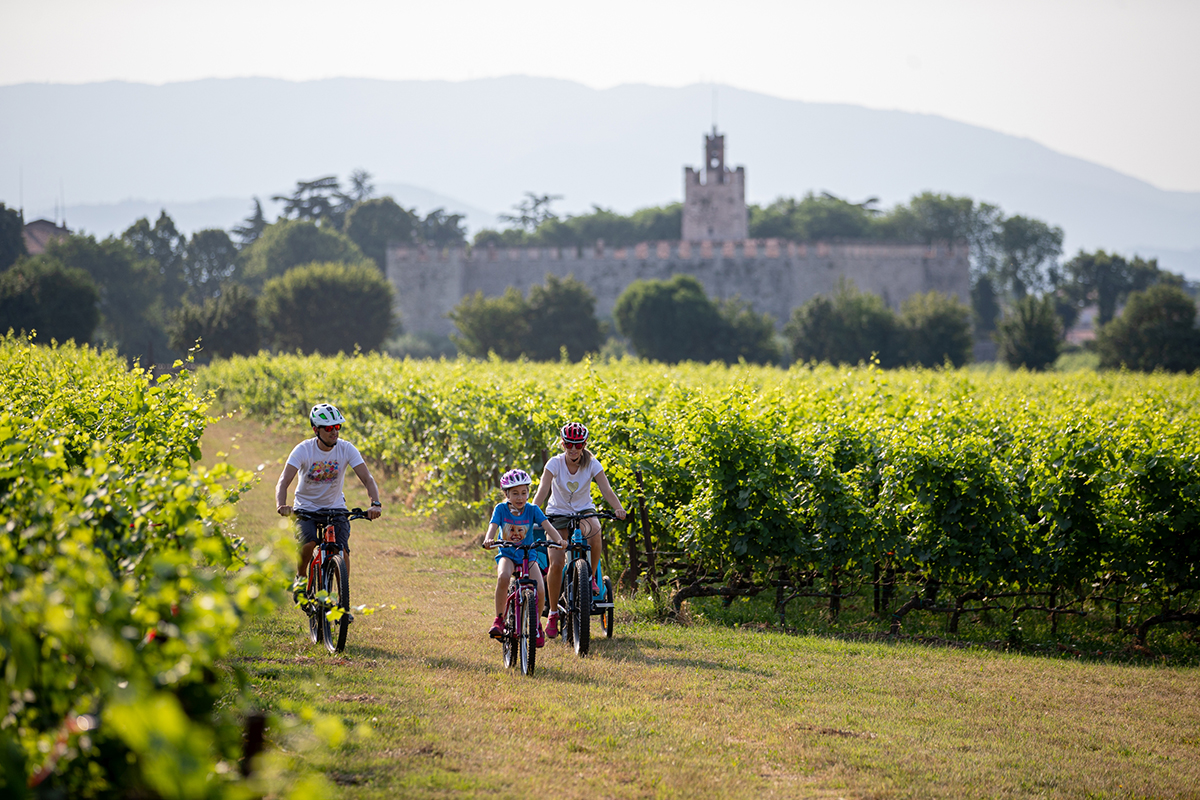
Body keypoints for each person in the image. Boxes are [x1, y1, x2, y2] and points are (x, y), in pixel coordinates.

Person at [275, 403, 382, 597]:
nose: (335, 432)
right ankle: (301, 576)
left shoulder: (346, 449)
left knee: (341, 550)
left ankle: (343, 599)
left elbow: (367, 479)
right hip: (306, 508)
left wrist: (375, 503)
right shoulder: (303, 450)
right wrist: (282, 505)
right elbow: (283, 481)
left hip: (335, 508)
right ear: (316, 430)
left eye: (337, 427)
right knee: (309, 543)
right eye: (329, 428)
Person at [532, 421, 626, 640]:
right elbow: (542, 490)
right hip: (557, 514)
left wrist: (618, 508)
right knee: (556, 563)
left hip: (584, 511)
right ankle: (553, 612)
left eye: (578, 444)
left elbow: (606, 489)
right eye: (568, 444)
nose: (573, 449)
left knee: (595, 530)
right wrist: (533, 512)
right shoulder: (554, 463)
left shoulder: (592, 464)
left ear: (584, 444)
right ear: (563, 444)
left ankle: (591, 577)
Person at [482, 469, 563, 647]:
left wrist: (559, 540)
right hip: (508, 554)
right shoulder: (501, 509)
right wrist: (489, 538)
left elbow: (547, 526)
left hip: (528, 554)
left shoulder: (532, 509)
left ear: (528, 493)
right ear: (507, 494)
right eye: (515, 493)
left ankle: (536, 626)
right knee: (503, 577)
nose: (520, 498)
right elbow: (493, 526)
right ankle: (499, 619)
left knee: (540, 588)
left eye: (524, 493)